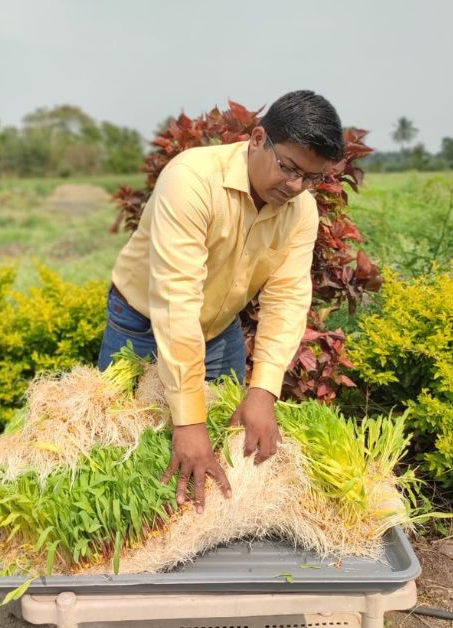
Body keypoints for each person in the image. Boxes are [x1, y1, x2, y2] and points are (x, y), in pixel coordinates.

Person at [97, 90, 344, 514]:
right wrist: (188, 422)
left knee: (222, 446)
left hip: (218, 327)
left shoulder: (300, 210)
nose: (296, 186)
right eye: (288, 168)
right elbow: (176, 304)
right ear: (257, 139)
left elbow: (287, 297)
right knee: (119, 450)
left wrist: (264, 390)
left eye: (311, 177)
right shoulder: (191, 180)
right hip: (141, 320)